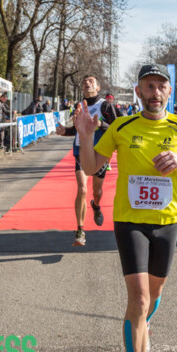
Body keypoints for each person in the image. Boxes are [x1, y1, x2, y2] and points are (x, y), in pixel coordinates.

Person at [73, 63, 177, 352]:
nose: (155, 92)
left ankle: (144, 324)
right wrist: (85, 135)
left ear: (169, 92)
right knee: (138, 299)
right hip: (130, 222)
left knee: (154, 294)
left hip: (167, 223)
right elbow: (92, 167)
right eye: (149, 86)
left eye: (161, 87)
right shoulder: (121, 127)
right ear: (138, 91)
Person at [55, 75, 111, 246]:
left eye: (91, 81)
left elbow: (118, 128)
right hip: (81, 150)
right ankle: (80, 230)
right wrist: (66, 131)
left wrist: (100, 125)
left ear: (98, 87)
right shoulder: (79, 106)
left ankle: (96, 206)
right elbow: (78, 128)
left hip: (100, 152)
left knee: (97, 192)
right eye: (85, 82)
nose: (87, 83)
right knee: (82, 189)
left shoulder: (105, 106)